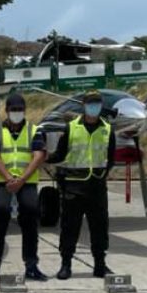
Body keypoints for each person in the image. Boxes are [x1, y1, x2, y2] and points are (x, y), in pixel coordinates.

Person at [50, 90, 117, 279]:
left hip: (97, 187)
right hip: (74, 187)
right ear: (84, 105)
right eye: (90, 103)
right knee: (69, 227)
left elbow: (110, 157)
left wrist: (101, 174)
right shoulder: (71, 128)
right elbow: (60, 154)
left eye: (97, 103)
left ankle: (100, 264)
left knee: (100, 227)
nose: (93, 107)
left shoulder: (107, 128)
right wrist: (42, 156)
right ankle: (66, 265)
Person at [0, 93, 49, 282]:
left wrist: (21, 179)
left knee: (30, 219)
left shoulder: (33, 130)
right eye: (14, 110)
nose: (17, 113)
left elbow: (38, 156)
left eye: (20, 110)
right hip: (3, 181)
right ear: (7, 111)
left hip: (26, 181)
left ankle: (31, 265)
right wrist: (9, 178)